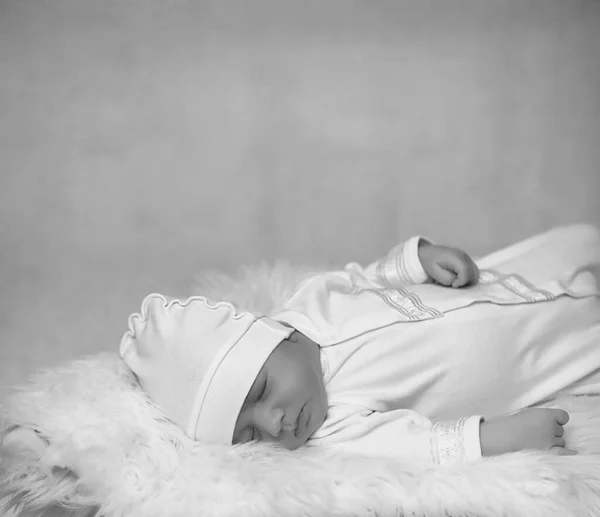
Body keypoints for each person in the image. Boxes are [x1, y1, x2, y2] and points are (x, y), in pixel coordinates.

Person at [119, 224, 600, 465]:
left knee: (577, 244)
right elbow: (419, 447)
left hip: (505, 281)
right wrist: (497, 438)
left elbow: (366, 278)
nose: (274, 422)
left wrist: (418, 261)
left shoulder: (309, 303)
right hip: (548, 354)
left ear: (272, 333)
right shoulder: (334, 427)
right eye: (248, 435)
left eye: (261, 391)